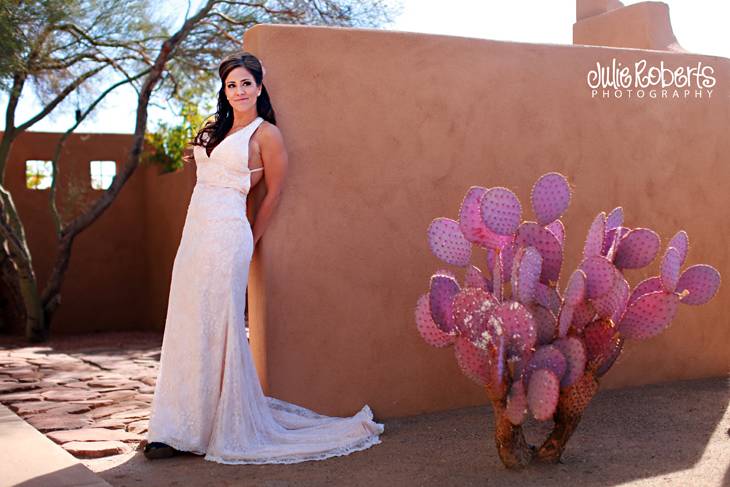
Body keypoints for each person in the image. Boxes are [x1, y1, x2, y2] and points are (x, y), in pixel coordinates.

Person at [144, 52, 383, 464]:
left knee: (219, 324)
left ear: (259, 86)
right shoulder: (214, 128)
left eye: (246, 83)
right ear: (225, 89)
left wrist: (251, 238)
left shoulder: (266, 133)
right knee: (187, 320)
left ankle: (210, 427)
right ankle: (175, 427)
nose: (239, 91)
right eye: (231, 84)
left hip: (228, 234)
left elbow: (273, 192)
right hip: (195, 231)